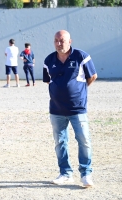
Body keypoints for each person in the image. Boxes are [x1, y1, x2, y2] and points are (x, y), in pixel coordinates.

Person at [43, 30, 97, 188]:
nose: (59, 43)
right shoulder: (49, 60)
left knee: (84, 140)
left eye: (62, 40)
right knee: (60, 142)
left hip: (77, 109)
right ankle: (65, 173)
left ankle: (86, 174)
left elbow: (92, 76)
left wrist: (79, 91)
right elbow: (48, 81)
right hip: (56, 110)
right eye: (56, 41)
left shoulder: (81, 56)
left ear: (70, 41)